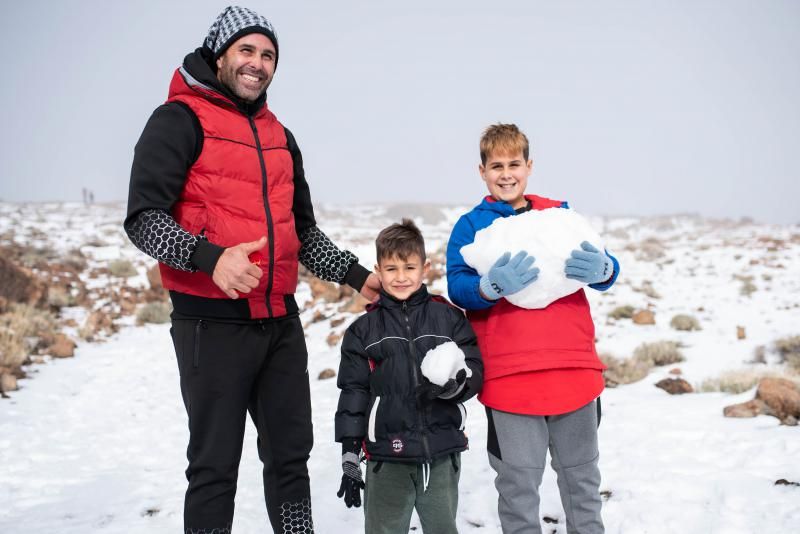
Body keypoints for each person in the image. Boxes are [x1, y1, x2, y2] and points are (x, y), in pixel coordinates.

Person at [124, 6, 379, 533]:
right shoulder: (178, 119)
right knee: (214, 467)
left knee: (290, 459)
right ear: (220, 54)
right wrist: (210, 259)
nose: (257, 64)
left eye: (268, 55)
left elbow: (301, 232)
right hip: (210, 324)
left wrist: (357, 276)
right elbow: (143, 219)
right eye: (247, 50)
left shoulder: (281, 136)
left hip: (279, 323)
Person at [445, 124, 620, 534]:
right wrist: (487, 287)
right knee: (518, 485)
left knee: (582, 482)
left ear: (529, 166)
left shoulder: (559, 213)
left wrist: (606, 270)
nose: (506, 174)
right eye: (496, 166)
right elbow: (457, 285)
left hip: (573, 370)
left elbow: (603, 262)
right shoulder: (471, 227)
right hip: (510, 379)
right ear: (482, 171)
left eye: (514, 164)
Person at [335, 219, 483, 534]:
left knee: (443, 527)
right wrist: (349, 450)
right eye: (391, 269)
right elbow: (353, 391)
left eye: (409, 268)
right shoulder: (363, 330)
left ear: (424, 268)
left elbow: (472, 367)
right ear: (377, 270)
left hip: (441, 452)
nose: (400, 277)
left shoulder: (448, 317)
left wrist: (454, 388)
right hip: (386, 456)